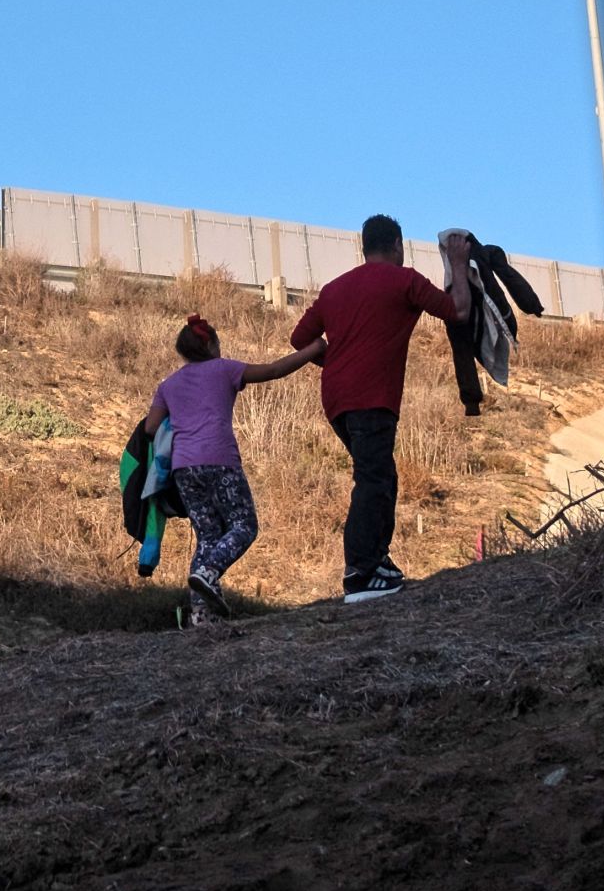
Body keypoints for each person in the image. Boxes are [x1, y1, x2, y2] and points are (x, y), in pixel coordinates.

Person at [288, 215, 473, 602]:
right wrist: (458, 262)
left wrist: (333, 358)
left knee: (382, 475)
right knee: (373, 480)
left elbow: (300, 338)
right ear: (396, 246)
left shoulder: (334, 288)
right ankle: (360, 572)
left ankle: (378, 561)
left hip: (336, 400)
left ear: (365, 246)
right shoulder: (404, 280)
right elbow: (458, 311)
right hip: (372, 398)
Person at [139, 314, 327, 625]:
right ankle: (208, 572)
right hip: (219, 460)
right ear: (211, 344)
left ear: (182, 350)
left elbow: (150, 427)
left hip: (183, 469)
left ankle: (201, 616)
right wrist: (313, 349)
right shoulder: (224, 369)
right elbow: (274, 370)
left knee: (208, 535)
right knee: (244, 526)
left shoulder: (168, 385)